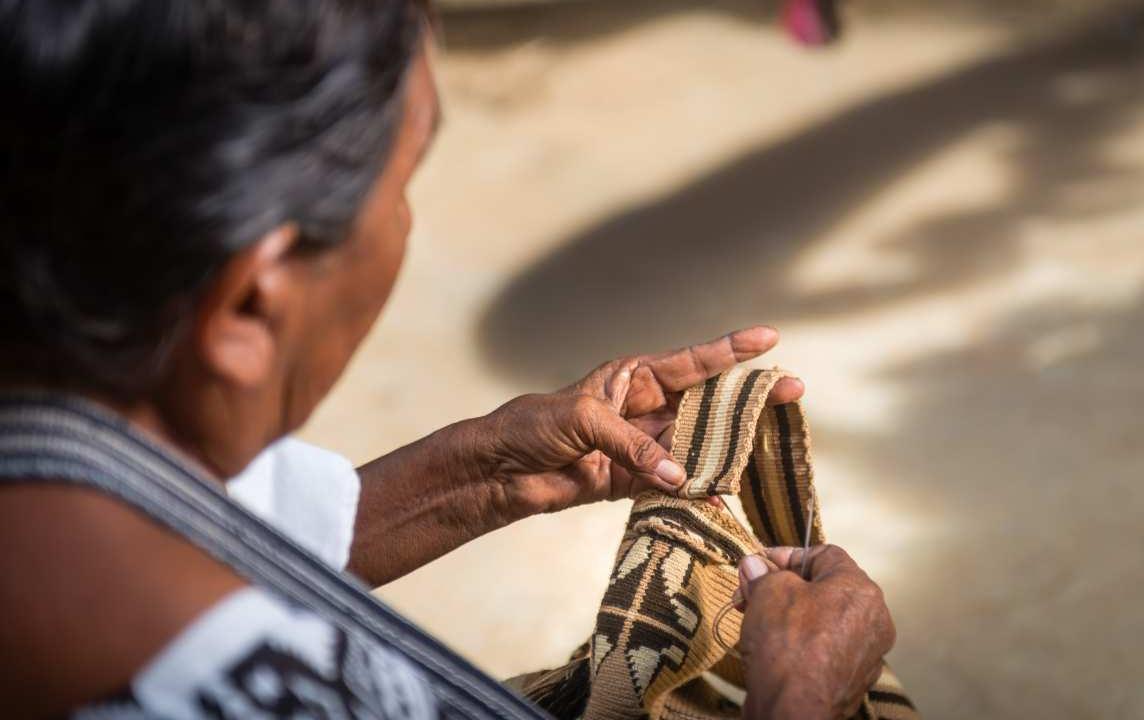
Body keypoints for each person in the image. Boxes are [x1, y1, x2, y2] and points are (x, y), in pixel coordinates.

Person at [0, 1, 895, 718]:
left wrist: (490, 468)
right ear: (249, 302)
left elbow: (232, 534)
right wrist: (800, 695)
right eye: (399, 189)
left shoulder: (64, 486)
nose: (406, 227)